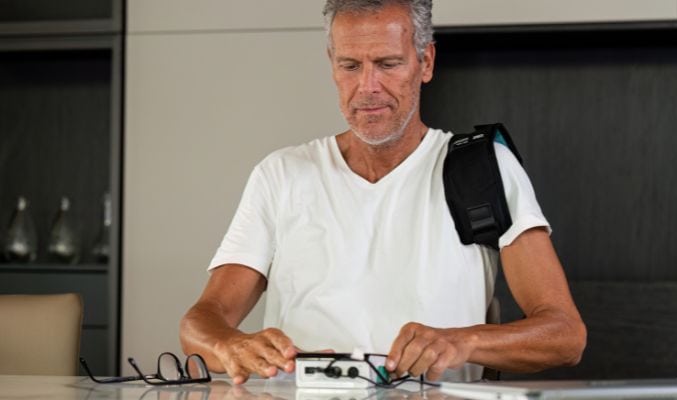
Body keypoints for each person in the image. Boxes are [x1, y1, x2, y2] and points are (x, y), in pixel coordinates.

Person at [180, 0, 586, 384]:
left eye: (387, 64)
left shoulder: (483, 168)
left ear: (425, 62)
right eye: (350, 65)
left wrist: (463, 340)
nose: (367, 86)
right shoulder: (281, 174)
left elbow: (565, 336)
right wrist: (231, 344)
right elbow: (202, 320)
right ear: (332, 65)